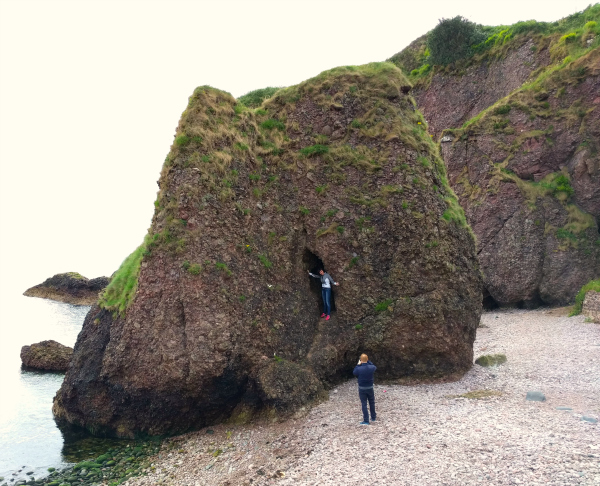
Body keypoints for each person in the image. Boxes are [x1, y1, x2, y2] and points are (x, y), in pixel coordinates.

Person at [353, 353, 376, 425]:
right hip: (370, 387)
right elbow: (374, 366)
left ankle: (366, 420)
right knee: (371, 402)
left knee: (364, 404)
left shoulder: (358, 369)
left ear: (361, 360)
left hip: (362, 388)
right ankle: (373, 417)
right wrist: (368, 361)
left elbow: (354, 372)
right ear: (367, 359)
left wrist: (358, 364)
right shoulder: (371, 367)